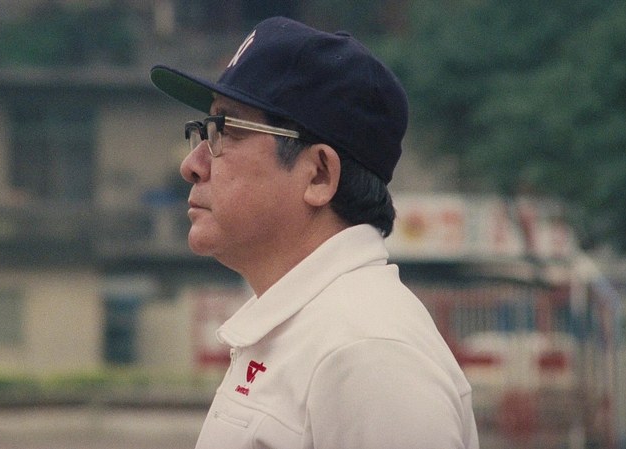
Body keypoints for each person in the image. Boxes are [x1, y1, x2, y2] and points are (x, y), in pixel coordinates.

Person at [150, 16, 479, 449]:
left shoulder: (367, 352)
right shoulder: (313, 328)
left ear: (319, 174)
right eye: (204, 131)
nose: (191, 165)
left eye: (225, 131)